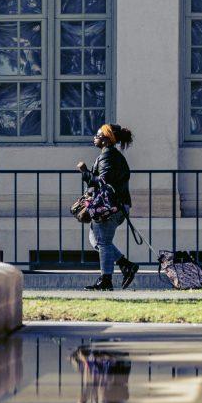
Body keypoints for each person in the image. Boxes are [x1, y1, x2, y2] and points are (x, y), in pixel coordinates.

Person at [77, 123, 138, 291]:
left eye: (98, 135)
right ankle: (126, 265)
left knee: (102, 242)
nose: (95, 138)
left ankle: (106, 280)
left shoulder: (108, 156)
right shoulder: (110, 155)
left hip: (111, 207)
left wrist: (85, 172)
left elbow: (103, 181)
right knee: (95, 240)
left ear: (106, 139)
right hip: (117, 206)